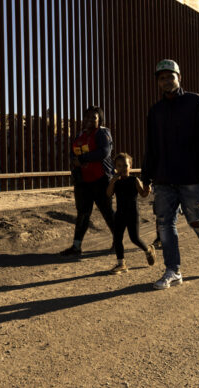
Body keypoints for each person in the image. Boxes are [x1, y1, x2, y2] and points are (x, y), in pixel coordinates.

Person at [141, 59, 199, 290]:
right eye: (162, 78)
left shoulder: (195, 102)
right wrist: (146, 177)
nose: (166, 81)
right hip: (164, 178)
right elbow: (152, 146)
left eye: (170, 76)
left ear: (179, 77)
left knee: (196, 220)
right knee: (165, 224)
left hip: (192, 175)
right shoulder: (155, 111)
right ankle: (173, 271)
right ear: (158, 82)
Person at [61, 106, 116, 258]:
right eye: (87, 117)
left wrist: (83, 159)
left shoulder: (103, 132)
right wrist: (74, 160)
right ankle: (76, 246)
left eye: (94, 117)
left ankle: (118, 242)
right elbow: (72, 152)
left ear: (100, 120)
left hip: (101, 180)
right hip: (83, 181)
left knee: (107, 212)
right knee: (83, 213)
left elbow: (104, 152)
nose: (90, 120)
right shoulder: (80, 134)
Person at [106, 153, 156, 274]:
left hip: (133, 214)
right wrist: (112, 181)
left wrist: (147, 190)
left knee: (135, 238)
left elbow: (143, 194)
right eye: (119, 166)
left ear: (130, 167)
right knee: (117, 238)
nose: (122, 168)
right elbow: (108, 194)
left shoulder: (134, 180)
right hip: (120, 214)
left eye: (125, 165)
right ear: (115, 168)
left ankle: (148, 250)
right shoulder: (115, 182)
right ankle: (121, 264)